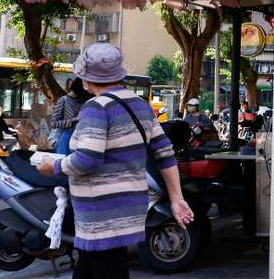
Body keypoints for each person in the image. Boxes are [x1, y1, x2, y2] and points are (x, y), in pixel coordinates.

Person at [38, 43, 193, 278]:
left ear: (86, 80)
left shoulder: (95, 108)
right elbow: (165, 153)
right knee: (89, 270)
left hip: (100, 212)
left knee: (108, 270)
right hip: (130, 208)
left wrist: (54, 166)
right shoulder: (141, 106)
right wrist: (177, 198)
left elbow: (87, 160)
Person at [49, 77, 90, 155]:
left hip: (83, 138)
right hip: (66, 139)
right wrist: (73, 120)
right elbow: (53, 123)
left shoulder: (85, 100)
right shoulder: (63, 100)